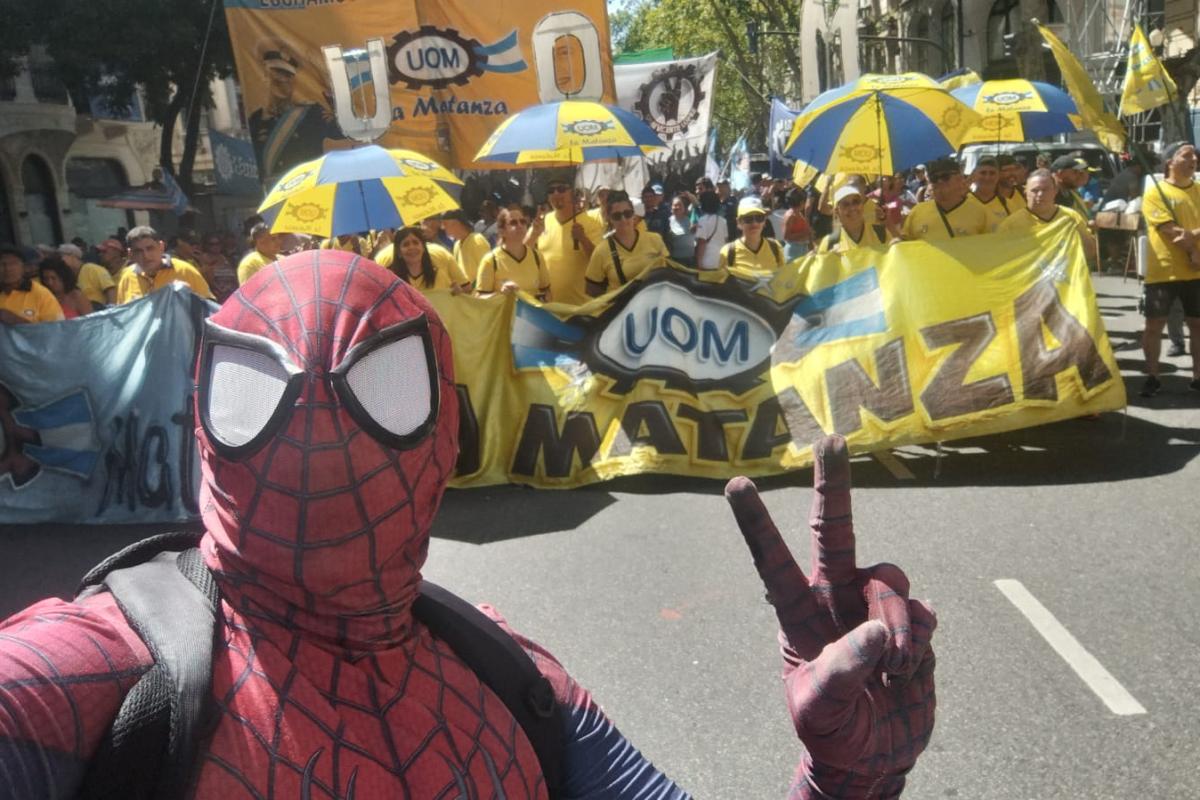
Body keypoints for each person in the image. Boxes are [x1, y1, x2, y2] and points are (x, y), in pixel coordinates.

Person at [0, 249, 937, 797]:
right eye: (265, 393)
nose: (319, 435)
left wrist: (843, 781)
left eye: (380, 390)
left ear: (443, 428)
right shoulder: (101, 682)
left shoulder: (517, 687)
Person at [1136, 141, 1200, 397]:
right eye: (1186, 156)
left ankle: (1197, 376)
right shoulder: (1156, 192)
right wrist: (1194, 250)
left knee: (1197, 325)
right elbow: (1169, 230)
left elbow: (1183, 233)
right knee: (1154, 325)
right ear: (1170, 162)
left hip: (1196, 272)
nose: (1193, 159)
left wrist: (1193, 238)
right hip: (1163, 272)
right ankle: (1152, 375)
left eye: (1195, 155)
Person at [247, 41, 343, 184]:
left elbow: (341, 133)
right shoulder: (255, 120)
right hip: (273, 194)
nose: (282, 81)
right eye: (276, 75)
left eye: (287, 76)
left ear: (293, 82)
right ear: (265, 78)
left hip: (307, 188)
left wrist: (338, 110)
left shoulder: (311, 113)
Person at [997, 169, 1097, 265]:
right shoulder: (1011, 224)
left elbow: (1090, 252)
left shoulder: (1071, 217)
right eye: (1034, 190)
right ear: (1025, 192)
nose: (1040, 195)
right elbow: (1000, 257)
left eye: (1045, 190)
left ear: (1055, 191)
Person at [585, 190, 668, 296]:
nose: (623, 219)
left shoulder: (655, 240)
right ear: (609, 219)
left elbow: (668, 272)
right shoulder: (601, 251)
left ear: (633, 214)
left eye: (627, 214)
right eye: (617, 216)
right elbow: (591, 288)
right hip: (622, 309)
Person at [537, 176, 601, 306]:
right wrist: (532, 234)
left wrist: (583, 238)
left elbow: (599, 261)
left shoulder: (591, 223)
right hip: (549, 308)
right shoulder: (543, 221)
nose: (556, 194)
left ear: (572, 193)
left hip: (580, 308)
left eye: (561, 189)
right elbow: (527, 253)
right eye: (551, 190)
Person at [115, 226, 214, 304]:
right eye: (138, 251)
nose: (146, 255)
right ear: (130, 254)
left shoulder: (184, 270)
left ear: (161, 246)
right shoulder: (127, 277)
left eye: (150, 248)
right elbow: (124, 316)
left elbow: (209, 307)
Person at [901, 158, 989, 241]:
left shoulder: (979, 211)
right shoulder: (917, 211)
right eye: (934, 178)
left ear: (959, 178)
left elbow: (989, 247)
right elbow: (905, 244)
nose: (939, 181)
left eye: (945, 177)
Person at [476, 205, 551, 300]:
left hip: (531, 313)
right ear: (502, 231)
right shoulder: (491, 260)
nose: (519, 225)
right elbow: (479, 298)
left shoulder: (537, 256)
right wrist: (501, 294)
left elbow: (546, 291)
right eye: (513, 223)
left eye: (523, 221)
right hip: (505, 314)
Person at [385, 226, 472, 295]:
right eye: (406, 244)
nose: (412, 247)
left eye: (415, 242)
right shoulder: (390, 279)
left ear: (423, 248)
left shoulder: (439, 275)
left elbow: (466, 290)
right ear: (399, 252)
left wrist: (458, 293)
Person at [816, 185, 891, 254]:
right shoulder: (829, 243)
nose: (852, 208)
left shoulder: (881, 234)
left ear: (862, 205)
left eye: (856, 202)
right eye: (845, 204)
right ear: (836, 211)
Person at [0, 244, 63, 324]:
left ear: (24, 268)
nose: (8, 269)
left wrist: (16, 320)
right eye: (2, 264)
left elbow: (57, 330)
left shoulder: (41, 294)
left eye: (13, 263)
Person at [720, 196, 785, 273]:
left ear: (764, 221)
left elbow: (782, 279)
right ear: (739, 222)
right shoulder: (727, 252)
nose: (754, 223)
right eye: (748, 219)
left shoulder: (776, 248)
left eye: (759, 218)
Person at [441, 210, 492, 286]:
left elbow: (488, 270)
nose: (442, 228)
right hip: (466, 293)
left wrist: (472, 288)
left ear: (456, 223)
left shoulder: (477, 240)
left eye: (445, 224)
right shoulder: (457, 245)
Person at [56, 243, 116, 308]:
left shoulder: (93, 269)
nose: (59, 260)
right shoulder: (66, 276)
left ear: (72, 255)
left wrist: (111, 308)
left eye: (61, 256)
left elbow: (110, 289)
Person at [969, 156, 1012, 232]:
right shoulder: (963, 203)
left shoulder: (1008, 205)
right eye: (983, 173)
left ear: (998, 176)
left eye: (992, 173)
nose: (987, 178)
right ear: (974, 175)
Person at [693, 190, 729, 271]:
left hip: (707, 263)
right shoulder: (723, 220)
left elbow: (702, 243)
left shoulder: (702, 220)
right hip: (721, 262)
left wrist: (699, 263)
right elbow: (726, 241)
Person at [199, 233, 240, 302]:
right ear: (206, 245)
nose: (216, 246)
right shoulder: (203, 259)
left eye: (218, 244)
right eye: (212, 244)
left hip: (232, 296)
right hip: (216, 299)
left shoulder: (226, 259)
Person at [1051, 154, 1094, 219]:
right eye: (1075, 172)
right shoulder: (1049, 195)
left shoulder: (1068, 191)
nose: (1078, 175)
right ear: (1060, 173)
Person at [781, 188, 814, 261]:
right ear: (802, 202)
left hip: (802, 249)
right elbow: (786, 236)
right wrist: (805, 233)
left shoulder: (798, 213)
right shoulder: (791, 216)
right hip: (794, 250)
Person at [665, 194, 697, 267]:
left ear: (684, 208)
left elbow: (696, 204)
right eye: (675, 205)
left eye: (679, 205)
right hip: (675, 260)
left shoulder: (690, 220)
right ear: (671, 207)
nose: (677, 207)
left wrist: (688, 194)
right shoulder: (667, 221)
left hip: (691, 260)